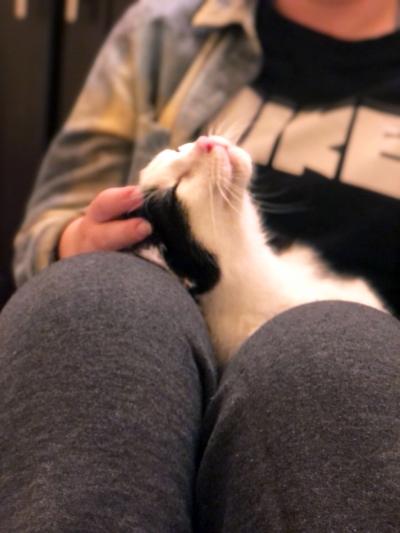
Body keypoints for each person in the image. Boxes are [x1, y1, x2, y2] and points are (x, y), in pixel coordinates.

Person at [1, 0, 400, 530]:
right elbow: (46, 228)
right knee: (93, 297)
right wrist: (74, 241)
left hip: (351, 382)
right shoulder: (165, 30)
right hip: (161, 351)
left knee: (323, 350)